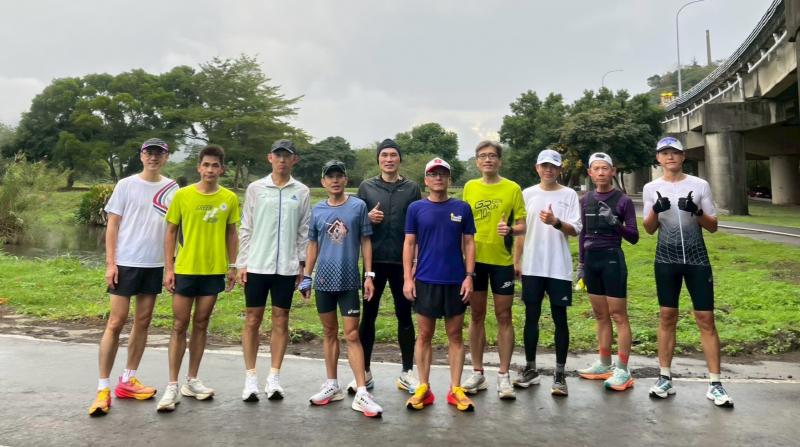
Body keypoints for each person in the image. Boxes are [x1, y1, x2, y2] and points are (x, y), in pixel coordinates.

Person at [88, 138, 178, 416]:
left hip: (154, 264)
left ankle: (128, 380)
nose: (153, 157)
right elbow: (113, 225)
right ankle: (102, 388)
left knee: (143, 321)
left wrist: (170, 266)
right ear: (141, 156)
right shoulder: (126, 185)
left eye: (159, 153)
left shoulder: (172, 188)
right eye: (149, 153)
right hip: (126, 263)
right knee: (116, 322)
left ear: (166, 157)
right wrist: (111, 264)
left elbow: (173, 230)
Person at [643, 137, 733, 407]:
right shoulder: (651, 188)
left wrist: (696, 211)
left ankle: (715, 384)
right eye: (665, 153)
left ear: (683, 157)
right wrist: (655, 211)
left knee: (706, 318)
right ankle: (664, 377)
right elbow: (649, 229)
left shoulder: (699, 184)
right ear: (658, 159)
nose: (670, 157)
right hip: (666, 258)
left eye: (675, 152)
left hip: (697, 259)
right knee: (666, 316)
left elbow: (713, 226)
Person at [156, 145, 240, 412]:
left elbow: (231, 233)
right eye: (206, 165)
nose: (210, 170)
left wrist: (233, 266)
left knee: (201, 323)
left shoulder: (229, 198)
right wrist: (169, 268)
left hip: (213, 271)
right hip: (185, 269)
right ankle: (172, 385)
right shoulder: (183, 195)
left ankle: (191, 380)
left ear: (222, 169)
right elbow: (171, 232)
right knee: (179, 325)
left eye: (215, 165)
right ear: (199, 167)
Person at [299, 160, 383, 418]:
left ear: (346, 180)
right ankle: (331, 384)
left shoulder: (358, 206)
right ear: (323, 182)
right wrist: (307, 276)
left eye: (339, 176)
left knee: (352, 334)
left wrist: (369, 275)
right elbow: (313, 244)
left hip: (348, 281)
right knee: (329, 332)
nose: (335, 180)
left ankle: (362, 391)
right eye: (330, 177)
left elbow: (365, 241)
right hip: (324, 281)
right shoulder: (318, 210)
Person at [237, 139, 310, 402]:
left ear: (294, 160)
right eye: (277, 155)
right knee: (252, 319)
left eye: (286, 156)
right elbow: (246, 226)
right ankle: (250, 378)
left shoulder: (301, 191)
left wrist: (301, 264)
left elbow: (304, 231)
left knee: (281, 319)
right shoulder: (256, 188)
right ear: (270, 158)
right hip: (257, 264)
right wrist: (242, 263)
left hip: (286, 267)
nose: (282, 160)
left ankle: (274, 377)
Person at [403, 158, 477, 412]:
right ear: (426, 180)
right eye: (433, 174)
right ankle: (424, 387)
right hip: (425, 280)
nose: (438, 178)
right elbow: (409, 243)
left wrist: (469, 276)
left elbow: (469, 243)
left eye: (442, 174)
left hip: (455, 281)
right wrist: (407, 278)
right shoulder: (416, 208)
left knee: (455, 335)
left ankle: (455, 389)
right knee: (425, 335)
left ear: (449, 179)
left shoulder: (462, 208)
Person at [351, 138, 422, 394]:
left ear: (399, 159)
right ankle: (365, 372)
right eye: (384, 155)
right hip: (374, 262)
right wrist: (367, 217)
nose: (389, 159)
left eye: (393, 155)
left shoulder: (411, 188)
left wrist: (415, 265)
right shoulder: (366, 187)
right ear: (378, 160)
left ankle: (407, 371)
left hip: (403, 263)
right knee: (368, 316)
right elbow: (356, 220)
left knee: (405, 316)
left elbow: (417, 225)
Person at [461, 141, 526, 400]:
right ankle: (477, 372)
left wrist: (510, 230)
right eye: (483, 156)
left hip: (502, 262)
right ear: (477, 161)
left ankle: (503, 375)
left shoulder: (512, 188)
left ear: (499, 160)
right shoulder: (470, 187)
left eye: (492, 156)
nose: (488, 160)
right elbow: (463, 225)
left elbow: (522, 225)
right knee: (476, 315)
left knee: (504, 316)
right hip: (474, 262)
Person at [514, 149, 581, 396]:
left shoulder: (569, 194)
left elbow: (575, 230)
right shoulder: (527, 194)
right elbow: (521, 230)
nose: (548, 170)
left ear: (560, 169)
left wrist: (556, 222)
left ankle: (560, 374)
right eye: (544, 165)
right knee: (531, 317)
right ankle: (530, 369)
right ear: (537, 168)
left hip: (558, 267)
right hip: (533, 266)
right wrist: (516, 260)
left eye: (553, 166)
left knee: (559, 319)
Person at [575, 152, 639, 391]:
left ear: (613, 171)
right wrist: (581, 265)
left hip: (612, 259)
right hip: (592, 261)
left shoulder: (623, 201)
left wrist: (615, 223)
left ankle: (622, 370)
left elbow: (634, 236)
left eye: (605, 168)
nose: (601, 173)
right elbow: (583, 234)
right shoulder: (585, 199)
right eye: (596, 169)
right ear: (590, 173)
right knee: (600, 315)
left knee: (618, 315)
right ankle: (604, 364)